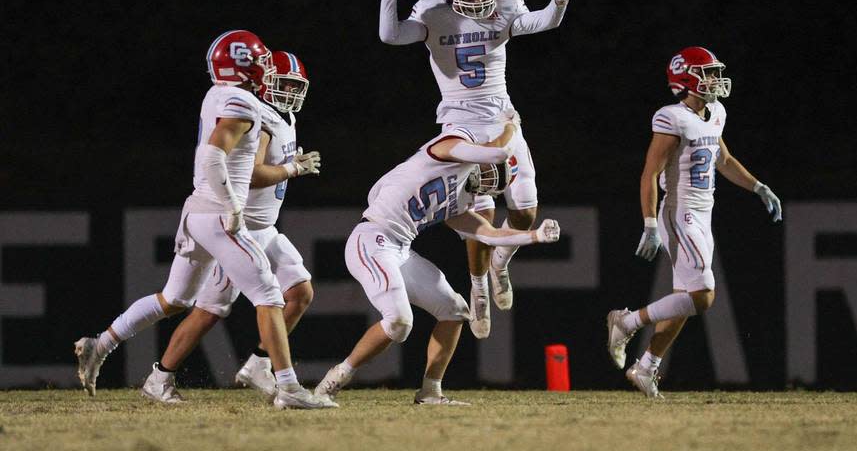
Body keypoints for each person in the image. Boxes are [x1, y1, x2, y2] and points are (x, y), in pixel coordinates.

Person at [73, 31, 334, 409]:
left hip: (202, 212)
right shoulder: (246, 104)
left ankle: (102, 344)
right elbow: (211, 158)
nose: (267, 69)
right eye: (260, 62)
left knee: (177, 297)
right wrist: (233, 205)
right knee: (268, 295)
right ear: (241, 68)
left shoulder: (223, 95)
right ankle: (289, 388)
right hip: (220, 216)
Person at [378, 0, 569, 339]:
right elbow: (391, 34)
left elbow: (543, 22)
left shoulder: (507, 6)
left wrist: (560, 0)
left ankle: (500, 263)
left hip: (503, 119)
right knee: (479, 217)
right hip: (459, 124)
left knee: (524, 215)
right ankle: (478, 286)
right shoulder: (433, 12)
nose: (479, 0)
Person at [314, 124, 561, 404]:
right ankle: (335, 379)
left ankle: (431, 391)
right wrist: (507, 125)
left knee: (455, 311)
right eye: (494, 170)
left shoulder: (461, 200)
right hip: (372, 239)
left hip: (401, 249)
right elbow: (487, 151)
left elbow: (490, 235)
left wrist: (535, 235)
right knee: (399, 322)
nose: (489, 181)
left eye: (497, 182)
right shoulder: (446, 150)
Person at [140, 51, 322, 403]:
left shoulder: (282, 116)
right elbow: (252, 174)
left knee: (299, 293)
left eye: (295, 86)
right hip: (242, 226)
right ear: (266, 80)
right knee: (210, 310)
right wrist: (292, 169)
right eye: (283, 84)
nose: (289, 93)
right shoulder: (261, 117)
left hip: (265, 226)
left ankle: (258, 363)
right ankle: (160, 376)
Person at [605, 47, 782, 398]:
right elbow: (650, 173)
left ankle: (646, 367)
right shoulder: (672, 117)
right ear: (687, 78)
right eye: (708, 73)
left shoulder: (716, 111)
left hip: (704, 214)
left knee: (685, 296)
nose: (715, 80)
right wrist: (650, 224)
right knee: (702, 296)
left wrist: (758, 187)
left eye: (716, 72)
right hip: (679, 212)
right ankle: (625, 321)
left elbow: (724, 159)